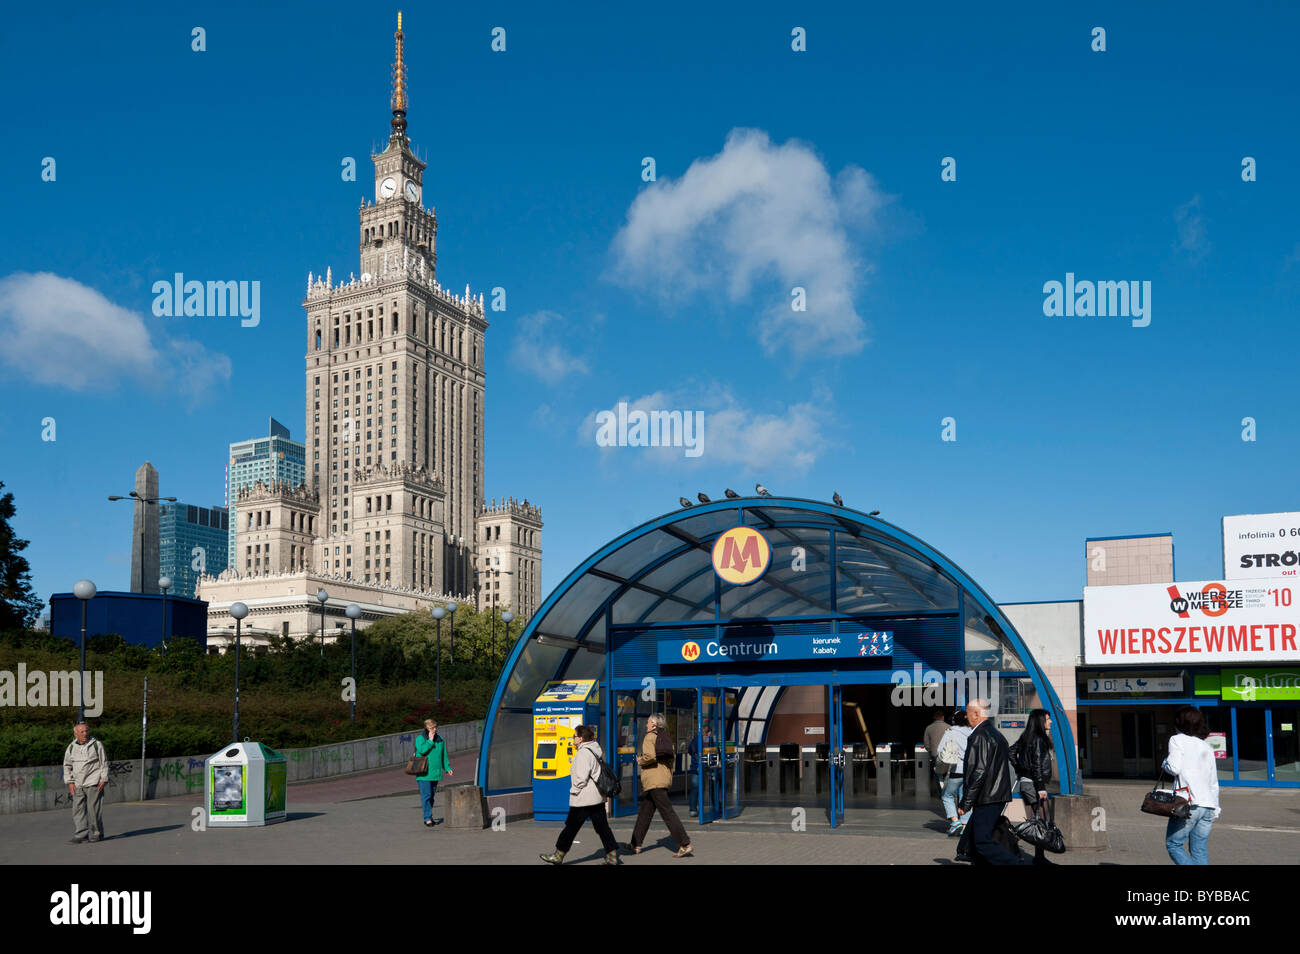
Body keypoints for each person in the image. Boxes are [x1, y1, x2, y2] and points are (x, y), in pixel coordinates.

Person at [540, 725, 619, 865]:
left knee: (571, 827)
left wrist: (574, 791)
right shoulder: (594, 749)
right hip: (597, 797)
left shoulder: (583, 753)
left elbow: (581, 779)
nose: (573, 739)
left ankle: (558, 855)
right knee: (602, 827)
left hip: (583, 799)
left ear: (581, 738)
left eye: (574, 736)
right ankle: (612, 856)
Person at [957, 698, 1019, 865]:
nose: (965, 717)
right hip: (994, 795)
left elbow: (978, 772)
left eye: (968, 714)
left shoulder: (980, 736)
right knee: (976, 841)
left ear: (976, 714)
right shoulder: (995, 733)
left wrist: (965, 802)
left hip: (987, 797)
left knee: (982, 841)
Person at [625, 713, 693, 857]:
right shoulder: (665, 737)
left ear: (654, 724)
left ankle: (684, 844)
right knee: (644, 813)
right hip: (661, 779)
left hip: (654, 781)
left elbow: (650, 757)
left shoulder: (650, 736)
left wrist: (640, 761)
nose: (646, 724)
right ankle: (635, 844)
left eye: (648, 722)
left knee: (667, 813)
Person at [1163, 706, 1221, 865]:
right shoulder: (1206, 746)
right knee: (1199, 849)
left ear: (1179, 722)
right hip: (1208, 806)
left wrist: (1164, 763)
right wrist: (1216, 809)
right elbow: (1213, 781)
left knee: (1174, 844)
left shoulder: (1176, 740)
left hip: (1188, 804)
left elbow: (1173, 768)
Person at [1012, 708, 1055, 865]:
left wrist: (1021, 769)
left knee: (1036, 821)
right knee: (1039, 822)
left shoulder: (1028, 736)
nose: (1050, 721)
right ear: (1040, 721)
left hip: (1028, 783)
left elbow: (1011, 752)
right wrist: (1041, 787)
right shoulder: (1038, 738)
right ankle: (1036, 857)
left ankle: (1037, 856)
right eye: (1048, 719)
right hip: (1034, 785)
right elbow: (1037, 764)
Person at [62, 722, 108, 844]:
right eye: (82, 732)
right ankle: (81, 834)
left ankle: (97, 833)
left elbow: (104, 763)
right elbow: (67, 766)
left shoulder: (96, 745)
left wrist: (103, 779)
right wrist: (70, 782)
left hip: (94, 782)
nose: (85, 733)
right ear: (75, 734)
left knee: (93, 810)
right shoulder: (71, 747)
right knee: (77, 810)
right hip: (78, 784)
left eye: (86, 731)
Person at [934, 709, 972, 835]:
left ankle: (955, 822)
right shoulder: (972, 732)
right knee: (965, 797)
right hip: (970, 770)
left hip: (956, 769)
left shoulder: (951, 732)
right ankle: (965, 825)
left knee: (947, 795)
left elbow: (940, 750)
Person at [414, 718, 452, 827]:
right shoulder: (421, 739)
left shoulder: (440, 740)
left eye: (435, 727)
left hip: (435, 773)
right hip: (424, 773)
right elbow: (422, 751)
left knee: (431, 796)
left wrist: (447, 767)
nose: (434, 729)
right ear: (426, 728)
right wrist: (430, 741)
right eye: (432, 728)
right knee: (426, 796)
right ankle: (427, 818)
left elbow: (443, 755)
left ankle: (429, 816)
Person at [687, 722, 719, 817]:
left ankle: (693, 809)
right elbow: (715, 752)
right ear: (708, 732)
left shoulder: (695, 740)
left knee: (695, 789)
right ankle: (715, 805)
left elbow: (690, 751)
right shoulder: (710, 740)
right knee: (712, 787)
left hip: (695, 767)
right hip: (708, 767)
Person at [923, 709, 951, 796]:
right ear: (943, 717)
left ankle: (941, 793)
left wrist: (931, 751)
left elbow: (926, 743)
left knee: (938, 775)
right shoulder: (949, 727)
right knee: (948, 775)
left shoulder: (929, 728)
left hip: (935, 755)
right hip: (948, 755)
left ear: (934, 718)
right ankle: (948, 793)